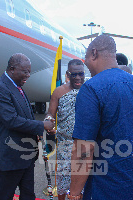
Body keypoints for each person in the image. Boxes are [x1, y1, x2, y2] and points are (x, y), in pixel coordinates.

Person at [69, 35, 133, 200]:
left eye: (86, 58)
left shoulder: (91, 89)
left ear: (94, 53)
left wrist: (74, 194)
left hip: (109, 188)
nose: (85, 63)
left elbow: (84, 151)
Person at [0, 53, 54, 200]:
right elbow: (11, 120)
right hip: (9, 159)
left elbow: (26, 116)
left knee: (28, 195)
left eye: (29, 71)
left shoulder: (17, 86)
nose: (28, 75)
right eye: (25, 71)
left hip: (26, 156)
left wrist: (36, 131)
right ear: (12, 69)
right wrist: (42, 125)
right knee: (4, 196)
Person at [45, 59, 85, 200]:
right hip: (64, 144)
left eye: (81, 74)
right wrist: (49, 121)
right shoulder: (59, 91)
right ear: (68, 74)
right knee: (62, 180)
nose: (78, 78)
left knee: (83, 180)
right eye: (74, 75)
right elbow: (50, 113)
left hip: (84, 145)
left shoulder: (89, 90)